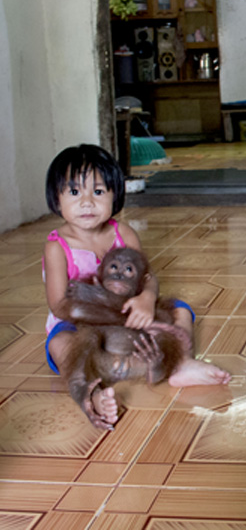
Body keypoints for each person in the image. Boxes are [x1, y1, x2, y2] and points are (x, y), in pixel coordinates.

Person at [43, 144, 230, 429]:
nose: (87, 202)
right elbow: (60, 306)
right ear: (56, 199)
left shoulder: (123, 233)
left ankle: (180, 363)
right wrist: (120, 315)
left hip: (131, 314)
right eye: (74, 192)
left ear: (115, 195)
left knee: (180, 310)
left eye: (98, 191)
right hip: (82, 324)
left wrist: (147, 297)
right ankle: (90, 393)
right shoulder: (57, 247)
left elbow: (147, 277)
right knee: (60, 343)